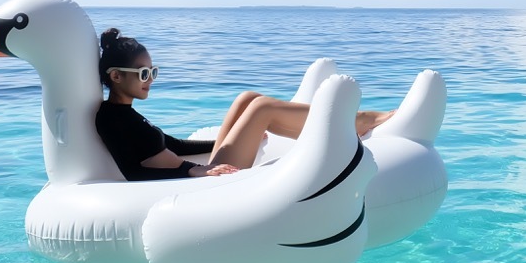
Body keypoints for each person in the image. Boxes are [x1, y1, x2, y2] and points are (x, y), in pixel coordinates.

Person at [95, 28, 394, 182]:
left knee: (247, 98)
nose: (151, 79)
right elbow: (133, 173)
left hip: (199, 171)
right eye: (144, 74)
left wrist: (232, 136)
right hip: (197, 182)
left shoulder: (128, 115)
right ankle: (355, 121)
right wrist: (192, 172)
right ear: (117, 76)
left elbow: (173, 145)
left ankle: (344, 124)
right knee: (262, 108)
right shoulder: (111, 118)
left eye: (153, 72)